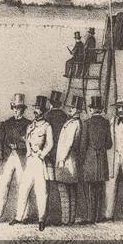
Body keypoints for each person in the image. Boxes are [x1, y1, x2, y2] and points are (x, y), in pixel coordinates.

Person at [15, 96, 54, 231]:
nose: (36, 111)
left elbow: (50, 144)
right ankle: (18, 217)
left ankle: (41, 219)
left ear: (43, 111)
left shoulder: (47, 126)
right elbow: (27, 139)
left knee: (41, 191)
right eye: (35, 109)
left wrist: (41, 154)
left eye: (38, 109)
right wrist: (28, 151)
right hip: (30, 160)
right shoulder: (30, 125)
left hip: (39, 161)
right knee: (23, 187)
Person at [0, 94, 29, 222]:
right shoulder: (6, 124)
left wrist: (19, 145)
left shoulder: (28, 124)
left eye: (18, 107)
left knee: (23, 185)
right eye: (14, 107)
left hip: (22, 158)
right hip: (7, 157)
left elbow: (30, 142)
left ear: (22, 109)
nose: (15, 109)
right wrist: (1, 155)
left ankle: (24, 216)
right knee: (2, 185)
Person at [54, 95, 84, 225]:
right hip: (70, 161)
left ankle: (66, 219)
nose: (70, 109)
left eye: (73, 108)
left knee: (65, 191)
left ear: (78, 110)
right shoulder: (73, 122)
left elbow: (69, 143)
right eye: (71, 107)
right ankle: (69, 219)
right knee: (70, 191)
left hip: (67, 161)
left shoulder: (74, 123)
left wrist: (62, 159)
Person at [81, 96, 111, 223]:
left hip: (90, 159)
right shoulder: (106, 123)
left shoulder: (87, 123)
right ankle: (99, 217)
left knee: (90, 189)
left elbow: (83, 144)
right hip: (102, 158)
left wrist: (82, 159)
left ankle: (90, 217)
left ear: (92, 109)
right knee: (100, 188)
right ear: (101, 109)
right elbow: (109, 144)